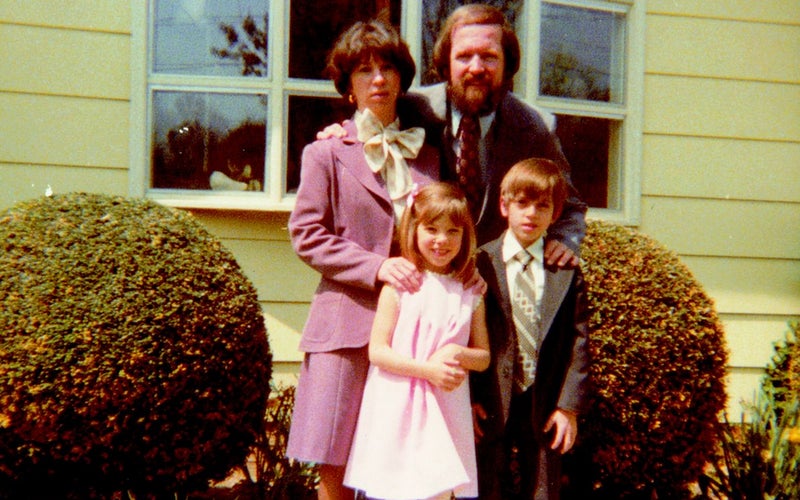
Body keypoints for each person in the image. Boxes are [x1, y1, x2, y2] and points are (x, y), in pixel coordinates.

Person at [286, 20, 440, 500]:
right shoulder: (325, 152)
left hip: (411, 330)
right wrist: (375, 267)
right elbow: (306, 234)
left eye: (388, 67)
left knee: (398, 457)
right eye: (365, 70)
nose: (379, 79)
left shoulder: (430, 157)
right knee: (336, 457)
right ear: (348, 86)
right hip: (345, 325)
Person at [318, 4, 587, 265]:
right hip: (426, 281)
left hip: (497, 287)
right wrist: (343, 133)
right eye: (464, 56)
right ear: (446, 64)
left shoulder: (536, 127)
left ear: (508, 65)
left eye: (489, 57)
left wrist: (565, 239)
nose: (476, 68)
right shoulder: (413, 109)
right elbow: (370, 123)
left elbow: (570, 206)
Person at [344, 182, 491, 500]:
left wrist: (456, 352)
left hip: (445, 403)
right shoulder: (400, 286)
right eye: (431, 229)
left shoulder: (470, 292)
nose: (442, 240)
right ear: (414, 229)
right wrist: (427, 370)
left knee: (437, 484)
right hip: (397, 400)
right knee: (393, 483)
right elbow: (378, 351)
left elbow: (484, 357)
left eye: (453, 231)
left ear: (465, 236)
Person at [473, 158, 590, 500]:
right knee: (485, 486)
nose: (531, 214)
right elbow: (464, 331)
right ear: (503, 205)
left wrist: (568, 406)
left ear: (555, 215)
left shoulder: (564, 268)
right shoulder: (480, 262)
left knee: (542, 489)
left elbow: (578, 340)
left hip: (544, 399)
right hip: (492, 397)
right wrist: (469, 398)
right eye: (522, 203)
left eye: (542, 206)